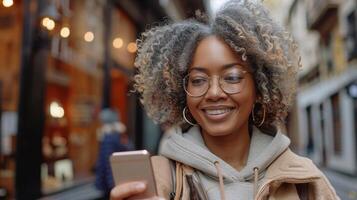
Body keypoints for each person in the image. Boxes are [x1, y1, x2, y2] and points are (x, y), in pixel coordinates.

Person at [111, 0, 339, 199]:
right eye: (198, 80)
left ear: (259, 88)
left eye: (231, 77)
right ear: (183, 92)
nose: (213, 93)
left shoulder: (305, 181)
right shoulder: (157, 181)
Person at [95, 108, 133, 198]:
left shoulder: (108, 137)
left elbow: (107, 162)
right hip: (120, 179)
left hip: (110, 184)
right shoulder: (120, 134)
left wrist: (110, 185)